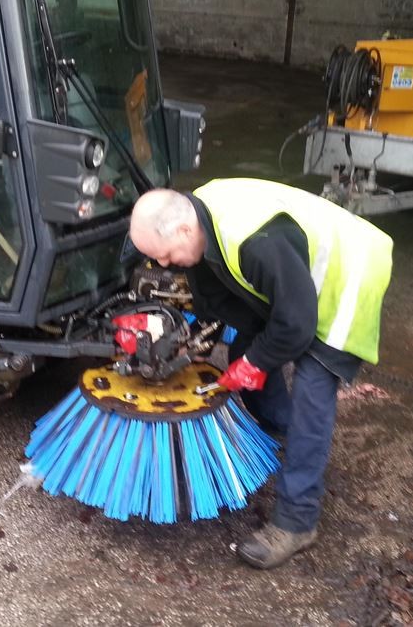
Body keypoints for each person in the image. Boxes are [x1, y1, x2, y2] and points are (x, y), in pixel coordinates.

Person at [125, 177, 393, 569]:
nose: (164, 265)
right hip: (296, 275)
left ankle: (297, 522)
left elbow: (297, 326)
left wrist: (254, 365)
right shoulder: (199, 219)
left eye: (164, 255)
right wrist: (186, 339)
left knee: (311, 391)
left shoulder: (257, 242)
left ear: (183, 229)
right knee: (244, 351)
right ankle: (280, 434)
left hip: (347, 276)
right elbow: (215, 297)